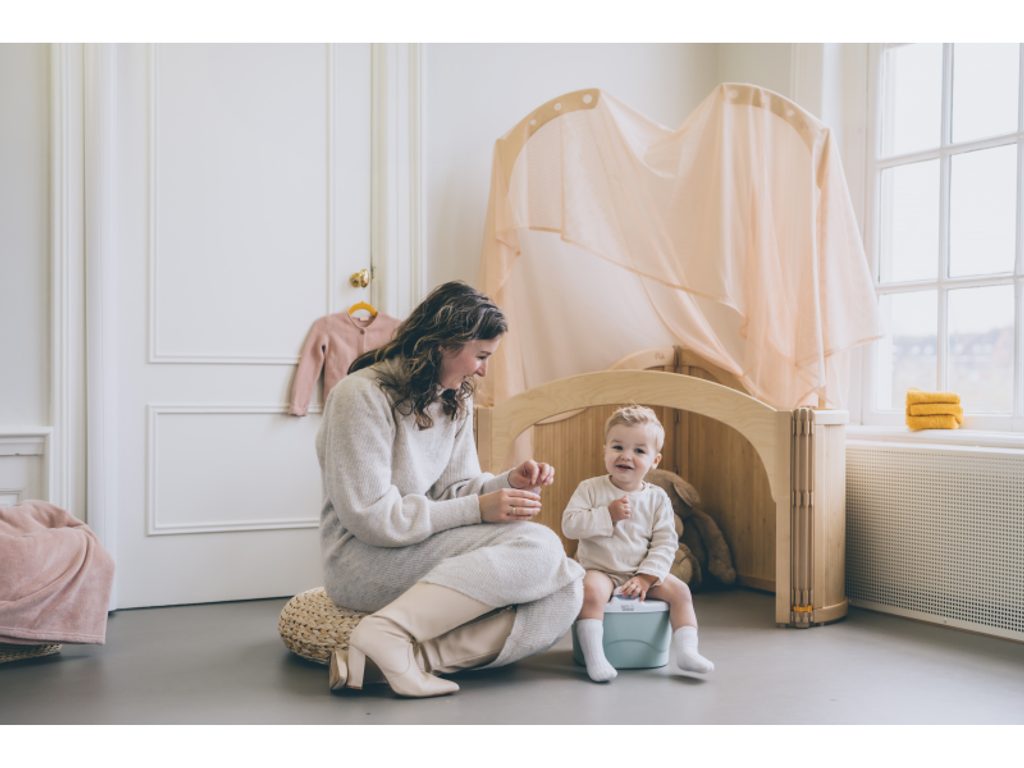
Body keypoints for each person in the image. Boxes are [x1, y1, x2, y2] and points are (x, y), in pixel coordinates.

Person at [318, 280, 584, 698]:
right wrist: (480, 509)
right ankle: (389, 630)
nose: (483, 370)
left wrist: (505, 483)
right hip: (362, 558)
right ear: (443, 344)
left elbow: (455, 489)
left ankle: (392, 662)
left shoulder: (453, 398)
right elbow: (372, 518)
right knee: (540, 547)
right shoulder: (360, 396)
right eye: (481, 356)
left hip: (420, 543)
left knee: (566, 587)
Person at [561, 405, 714, 682]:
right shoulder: (590, 489)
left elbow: (666, 542)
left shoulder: (657, 498)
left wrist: (646, 577)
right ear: (605, 450)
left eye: (639, 451)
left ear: (655, 461)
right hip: (600, 570)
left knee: (680, 592)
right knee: (590, 592)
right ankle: (595, 656)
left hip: (641, 572)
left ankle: (687, 651)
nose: (626, 456)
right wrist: (606, 515)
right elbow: (570, 525)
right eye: (617, 447)